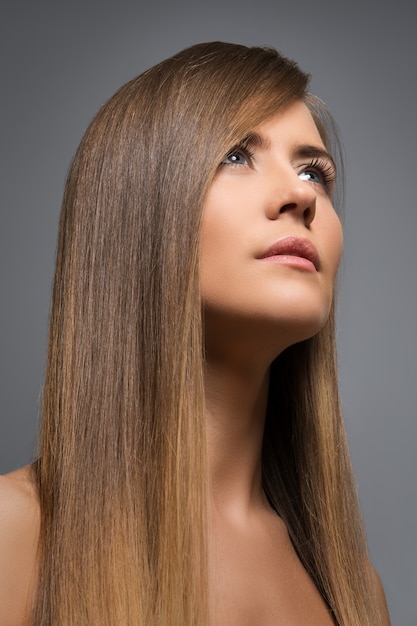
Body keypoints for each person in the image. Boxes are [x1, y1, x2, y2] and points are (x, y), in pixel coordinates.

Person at [0, 41, 390, 625]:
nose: (302, 195)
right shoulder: (15, 534)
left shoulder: (354, 590)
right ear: (135, 213)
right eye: (236, 155)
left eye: (315, 171)